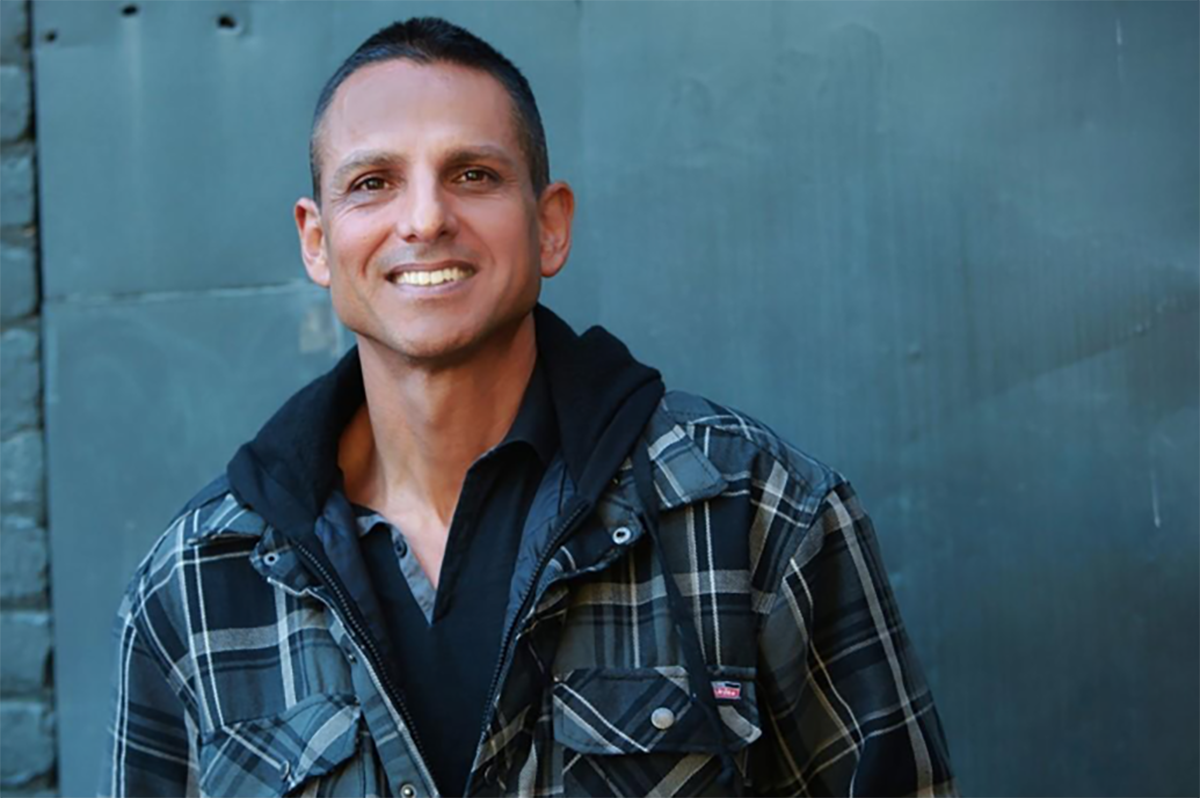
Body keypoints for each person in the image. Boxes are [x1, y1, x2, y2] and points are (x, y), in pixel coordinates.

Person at [100, 17, 957, 798]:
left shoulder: (754, 511)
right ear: (317, 241)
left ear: (550, 226)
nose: (426, 218)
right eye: (372, 183)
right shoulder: (197, 584)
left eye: (473, 174)